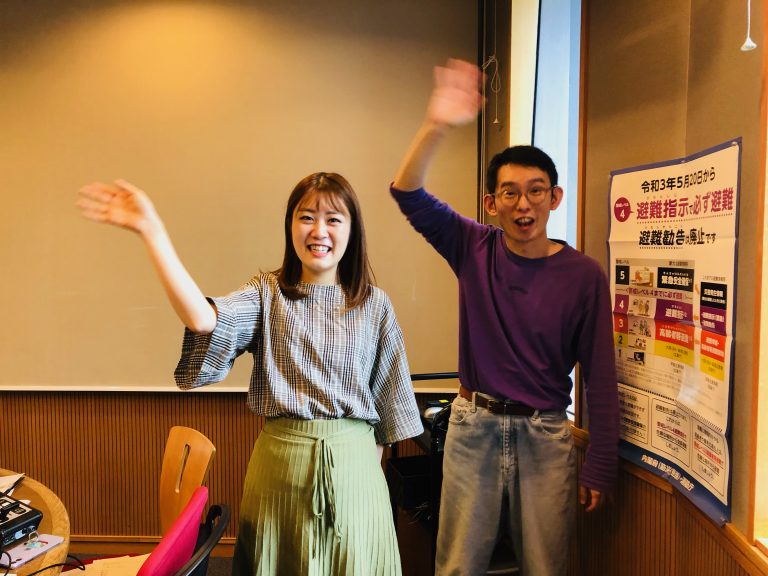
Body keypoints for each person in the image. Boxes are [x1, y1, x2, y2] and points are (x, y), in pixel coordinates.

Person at [77, 173, 423, 576]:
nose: (319, 230)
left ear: (352, 230)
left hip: (358, 478)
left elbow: (387, 411)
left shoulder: (375, 305)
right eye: (306, 217)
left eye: (333, 219)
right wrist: (152, 232)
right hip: (280, 473)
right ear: (290, 226)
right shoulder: (267, 293)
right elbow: (203, 319)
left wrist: (363, 481)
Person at [389, 59, 619, 575]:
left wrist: (601, 463)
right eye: (510, 192)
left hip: (547, 434)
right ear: (492, 203)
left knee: (546, 566)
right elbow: (407, 192)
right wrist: (437, 123)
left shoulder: (584, 275)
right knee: (459, 565)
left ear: (554, 197)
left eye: (536, 190)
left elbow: (601, 377)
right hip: (474, 427)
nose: (524, 204)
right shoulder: (472, 246)